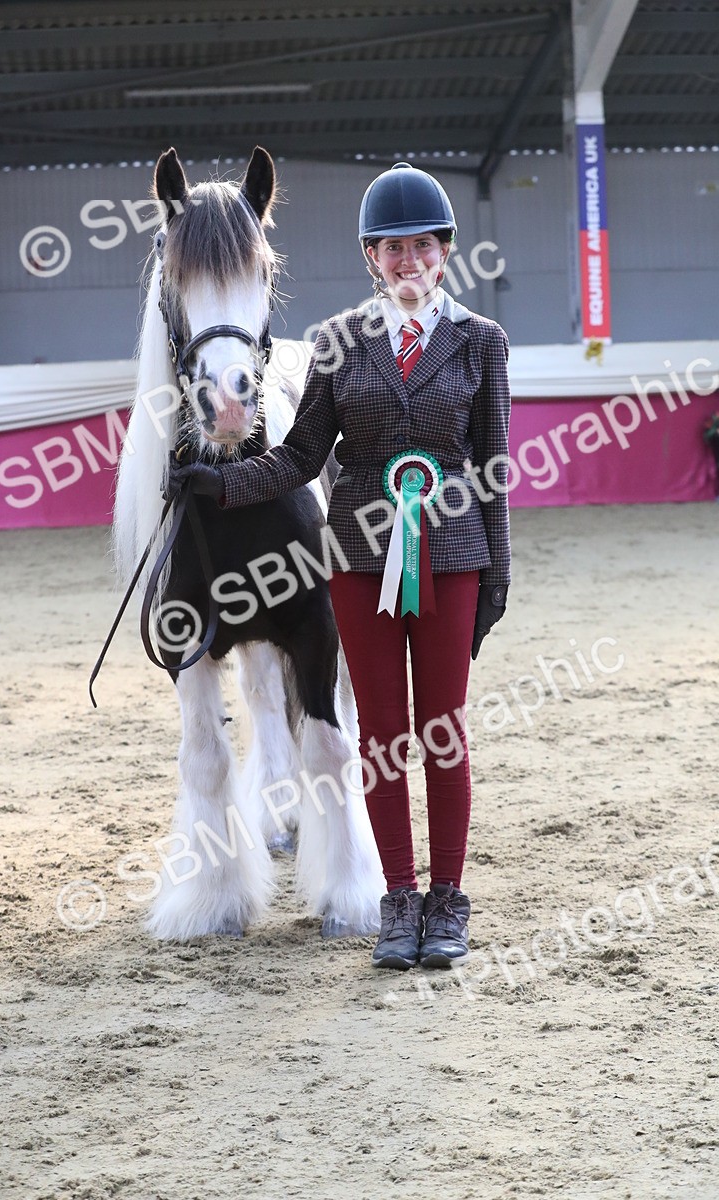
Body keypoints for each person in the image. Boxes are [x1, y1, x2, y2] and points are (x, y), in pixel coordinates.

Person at [176, 162, 511, 970]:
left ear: (444, 253)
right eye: (391, 249)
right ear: (370, 257)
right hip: (358, 562)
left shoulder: (480, 342)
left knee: (446, 738)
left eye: (422, 246)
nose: (408, 261)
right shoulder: (335, 344)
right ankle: (397, 900)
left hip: (454, 555)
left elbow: (496, 468)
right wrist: (222, 483)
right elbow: (296, 458)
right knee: (382, 738)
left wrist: (497, 575)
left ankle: (448, 903)